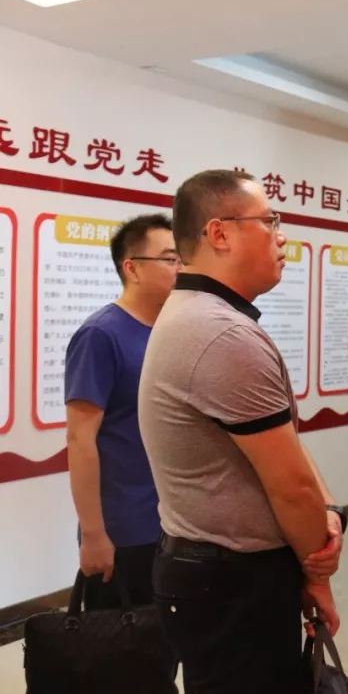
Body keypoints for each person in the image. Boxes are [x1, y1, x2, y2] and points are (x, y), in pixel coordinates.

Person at [139, 169, 345, 694]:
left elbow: (285, 448)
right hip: (230, 582)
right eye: (269, 221)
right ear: (220, 233)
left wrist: (326, 512)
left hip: (215, 575)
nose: (282, 237)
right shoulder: (222, 334)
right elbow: (290, 485)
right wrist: (317, 571)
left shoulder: (202, 316)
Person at [65, 213, 181, 610]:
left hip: (173, 522)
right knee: (122, 641)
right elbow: (80, 438)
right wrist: (94, 534)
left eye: (181, 259)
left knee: (167, 639)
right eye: (169, 259)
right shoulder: (100, 335)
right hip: (125, 531)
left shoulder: (171, 330)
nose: (179, 268)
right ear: (131, 268)